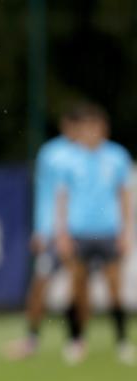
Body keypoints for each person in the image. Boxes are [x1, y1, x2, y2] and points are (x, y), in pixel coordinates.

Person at [54, 102, 134, 365]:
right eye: (86, 128)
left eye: (95, 127)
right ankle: (76, 339)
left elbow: (124, 195)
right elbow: (62, 198)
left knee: (114, 286)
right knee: (78, 286)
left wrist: (126, 231)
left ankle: (122, 341)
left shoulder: (117, 156)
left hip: (108, 230)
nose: (91, 132)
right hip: (79, 231)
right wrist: (62, 233)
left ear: (104, 129)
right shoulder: (69, 160)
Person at [6, 108, 83, 360]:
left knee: (78, 285)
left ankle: (76, 339)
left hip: (81, 231)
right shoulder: (52, 153)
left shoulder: (91, 153)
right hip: (53, 232)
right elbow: (46, 194)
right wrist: (41, 230)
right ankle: (32, 338)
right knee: (40, 284)